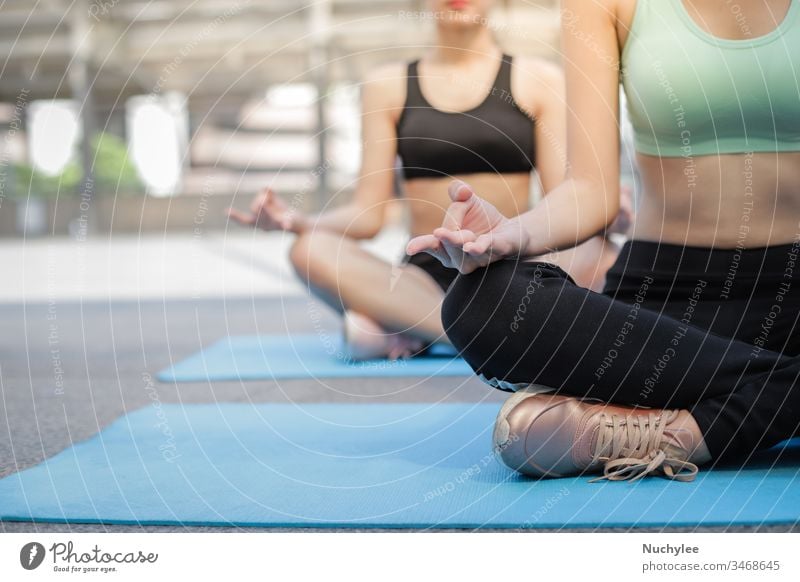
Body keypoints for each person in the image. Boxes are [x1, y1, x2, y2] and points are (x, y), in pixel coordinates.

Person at [408, 0, 800, 482]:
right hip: (668, 305)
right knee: (481, 303)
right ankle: (770, 400)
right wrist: (515, 233)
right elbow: (592, 191)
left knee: (530, 422)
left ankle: (682, 432)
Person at [228, 0, 627, 361]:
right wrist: (296, 223)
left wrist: (610, 212)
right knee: (308, 249)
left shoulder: (539, 79)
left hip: (513, 265)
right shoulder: (386, 85)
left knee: (598, 249)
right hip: (424, 277)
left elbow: (564, 201)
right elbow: (368, 216)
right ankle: (471, 333)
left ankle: (405, 329)